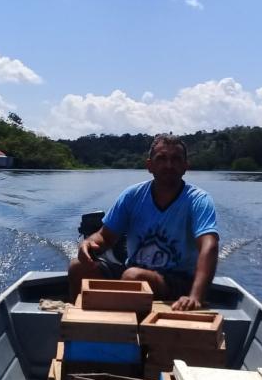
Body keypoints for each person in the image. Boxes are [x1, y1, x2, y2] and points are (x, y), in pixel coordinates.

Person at [68, 133, 219, 310]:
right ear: (150, 165)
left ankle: (126, 330)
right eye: (161, 158)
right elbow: (105, 237)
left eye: (176, 159)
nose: (169, 165)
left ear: (186, 166)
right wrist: (88, 243)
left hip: (177, 281)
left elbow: (209, 246)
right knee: (78, 267)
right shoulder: (133, 196)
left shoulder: (198, 200)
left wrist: (195, 297)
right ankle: (78, 324)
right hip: (132, 274)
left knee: (133, 278)